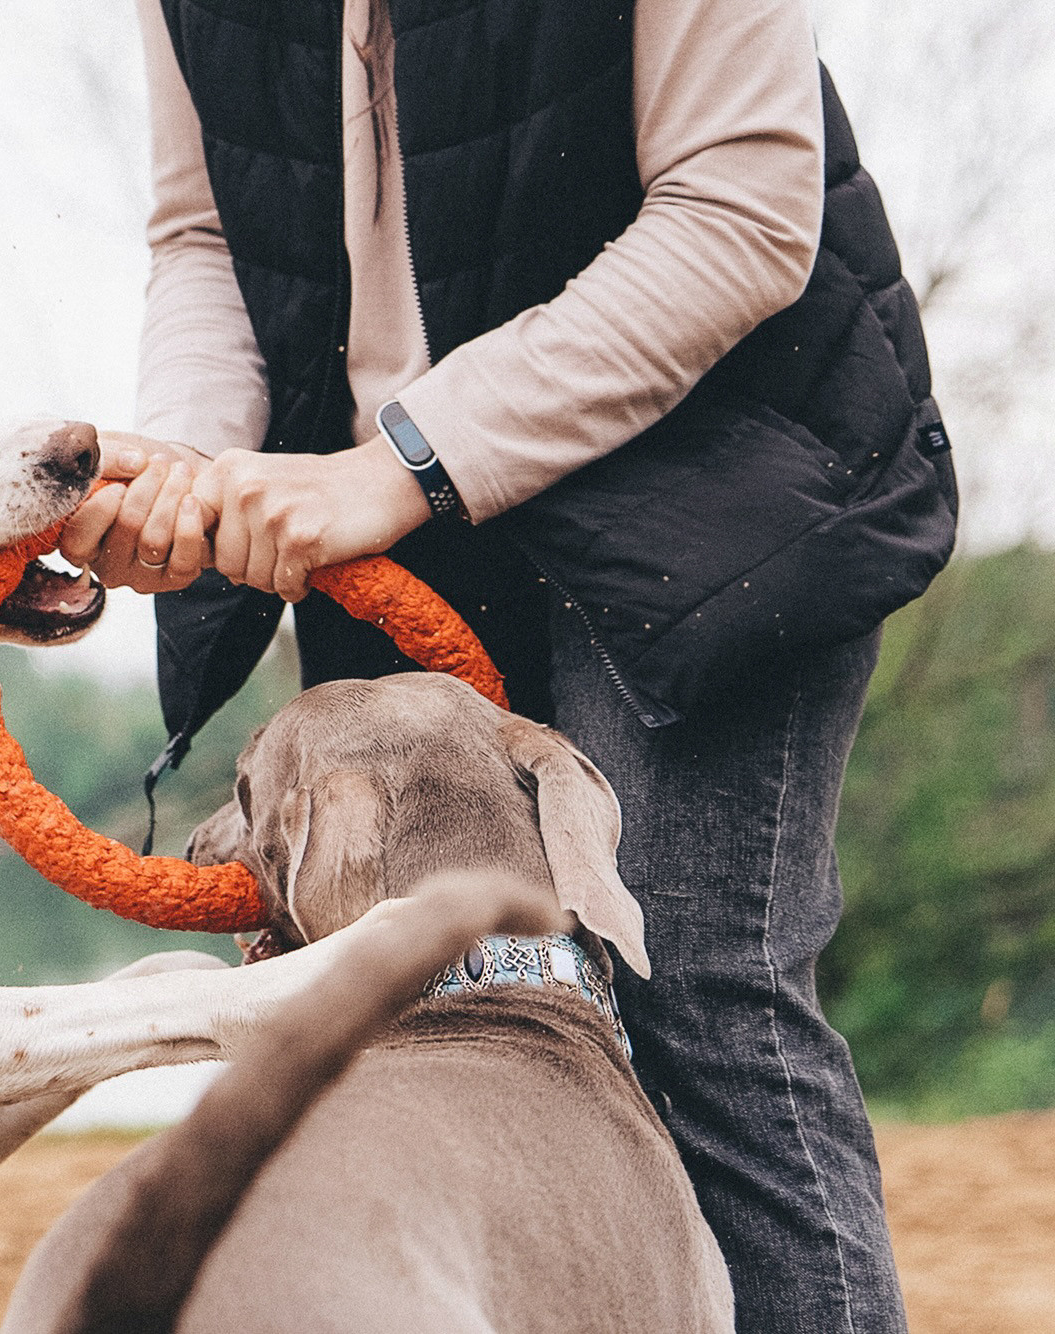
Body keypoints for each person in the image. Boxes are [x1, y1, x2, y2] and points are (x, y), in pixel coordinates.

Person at [59, 1, 959, 1329]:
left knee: (697, 985)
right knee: (417, 1012)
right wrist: (188, 466)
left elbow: (740, 213)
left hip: (716, 476)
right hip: (388, 515)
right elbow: (207, 235)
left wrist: (404, 463)